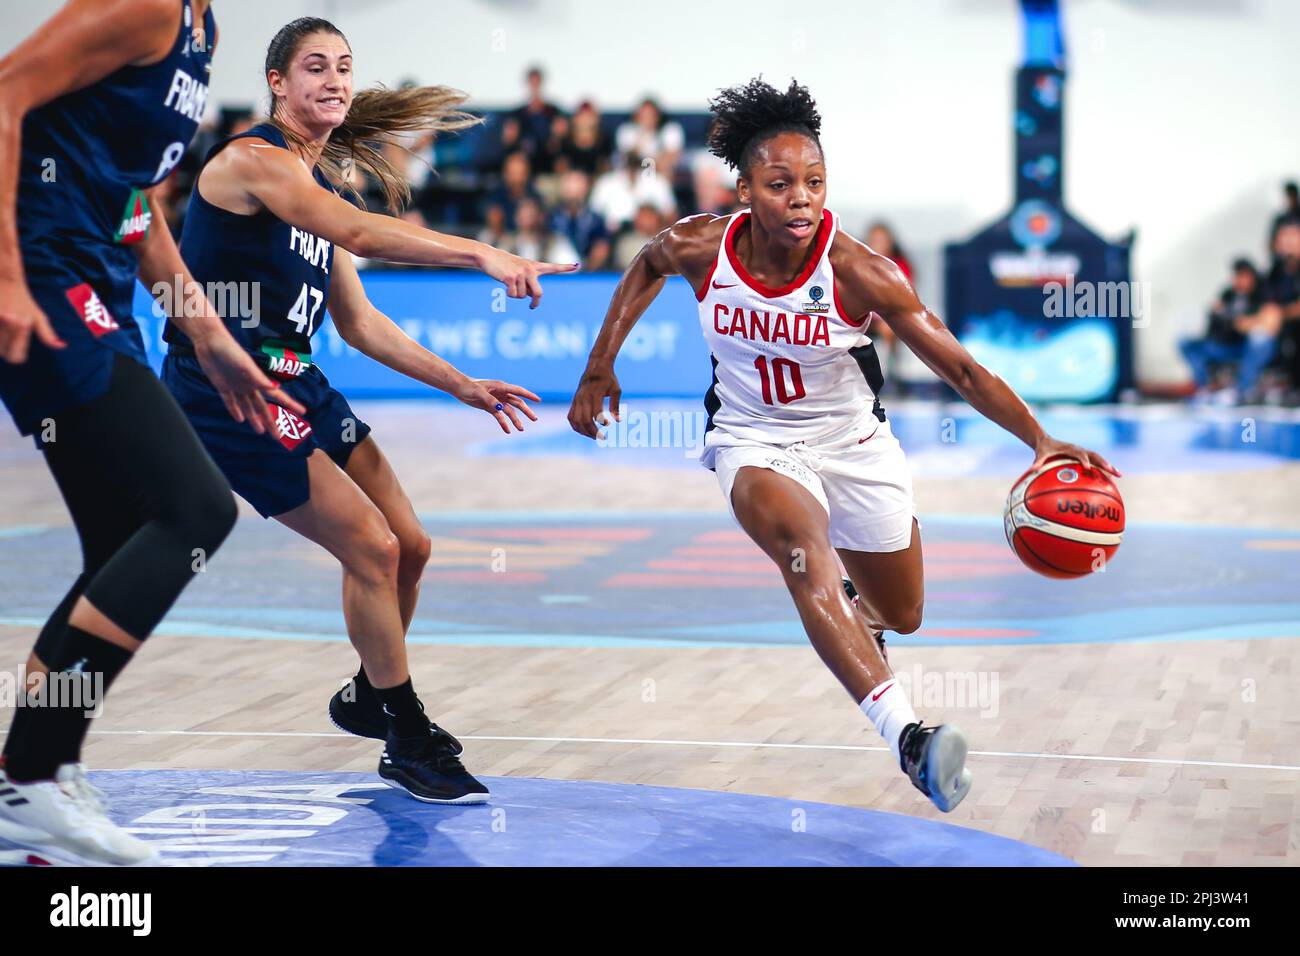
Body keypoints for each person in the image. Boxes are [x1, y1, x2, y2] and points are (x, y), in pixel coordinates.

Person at [568, 78, 1120, 813]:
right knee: (804, 549)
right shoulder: (703, 247)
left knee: (905, 612)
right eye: (781, 183)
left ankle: (852, 606)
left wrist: (1042, 439)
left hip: (855, 443)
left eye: (815, 183)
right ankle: (910, 739)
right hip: (754, 439)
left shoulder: (859, 271)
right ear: (745, 190)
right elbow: (645, 263)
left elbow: (958, 365)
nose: (802, 197)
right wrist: (600, 363)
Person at [161, 16, 575, 805]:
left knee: (411, 545)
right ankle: (407, 734)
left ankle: (366, 695)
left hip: (298, 376)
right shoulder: (255, 162)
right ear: (277, 82)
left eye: (345, 67)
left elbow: (359, 323)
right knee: (373, 548)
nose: (335, 80)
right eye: (314, 66)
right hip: (229, 385)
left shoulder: (315, 187)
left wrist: (464, 384)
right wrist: (482, 251)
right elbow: (358, 230)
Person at [0, 0, 303, 866]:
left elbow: (134, 200)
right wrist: (6, 276)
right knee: (194, 510)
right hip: (47, 273)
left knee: (123, 539)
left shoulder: (202, 32)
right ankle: (32, 776)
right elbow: (3, 96)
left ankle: (29, 780)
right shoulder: (143, 6)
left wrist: (208, 334)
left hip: (98, 279)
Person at [1179, 258, 1272, 403]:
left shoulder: (1263, 294)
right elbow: (1215, 317)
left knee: (1261, 341)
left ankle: (1243, 389)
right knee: (1185, 341)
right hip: (1222, 343)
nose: (1240, 280)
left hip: (1244, 347)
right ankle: (1205, 386)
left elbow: (1267, 322)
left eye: (1244, 276)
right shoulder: (1228, 294)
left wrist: (1245, 322)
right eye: (1237, 276)